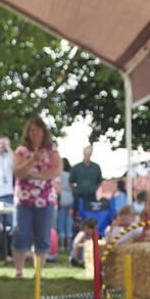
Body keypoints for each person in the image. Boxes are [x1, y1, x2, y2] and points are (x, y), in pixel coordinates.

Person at [11, 116, 62, 278]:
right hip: (23, 199)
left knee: (43, 235)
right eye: (32, 130)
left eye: (38, 130)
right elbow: (19, 172)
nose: (35, 133)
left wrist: (35, 175)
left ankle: (38, 272)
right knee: (20, 233)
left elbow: (56, 171)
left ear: (43, 132)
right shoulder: (21, 151)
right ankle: (18, 271)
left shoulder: (52, 151)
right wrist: (33, 160)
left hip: (46, 199)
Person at [69, 145, 102, 215]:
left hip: (91, 196)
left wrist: (94, 189)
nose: (87, 156)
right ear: (83, 153)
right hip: (79, 196)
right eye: (86, 154)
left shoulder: (96, 167)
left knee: (91, 215)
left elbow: (100, 181)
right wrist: (75, 191)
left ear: (91, 154)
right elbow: (70, 182)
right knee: (78, 216)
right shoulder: (76, 167)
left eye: (89, 154)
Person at [56, 159, 74, 251]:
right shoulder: (71, 174)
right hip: (70, 199)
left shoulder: (59, 175)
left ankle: (61, 245)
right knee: (68, 222)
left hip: (62, 199)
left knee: (61, 222)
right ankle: (69, 244)